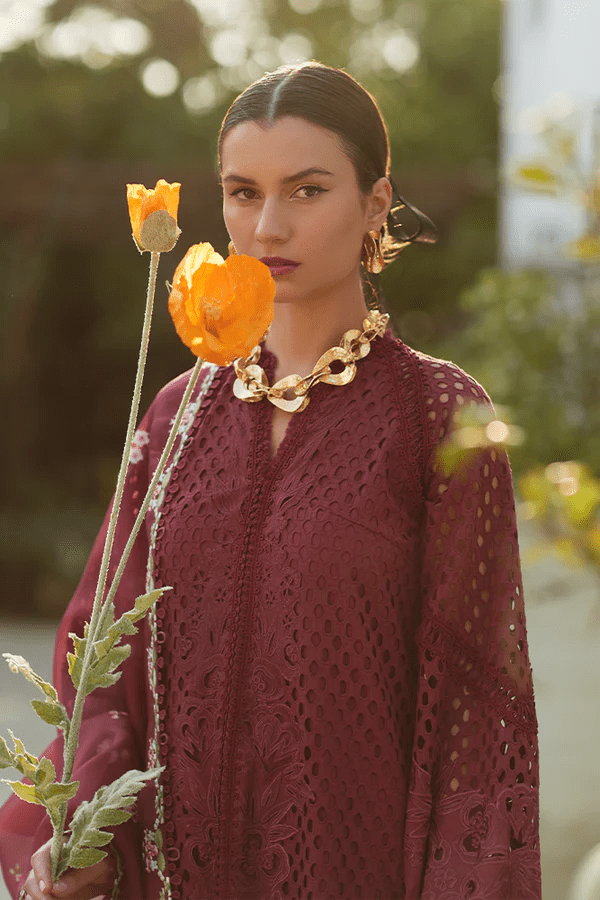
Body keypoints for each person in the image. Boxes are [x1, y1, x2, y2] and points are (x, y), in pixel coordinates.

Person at [0, 61, 541, 900]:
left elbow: (479, 722)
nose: (268, 226)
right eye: (243, 192)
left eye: (307, 190)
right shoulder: (179, 411)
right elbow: (100, 649)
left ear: (374, 202)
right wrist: (79, 831)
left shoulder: (439, 417)